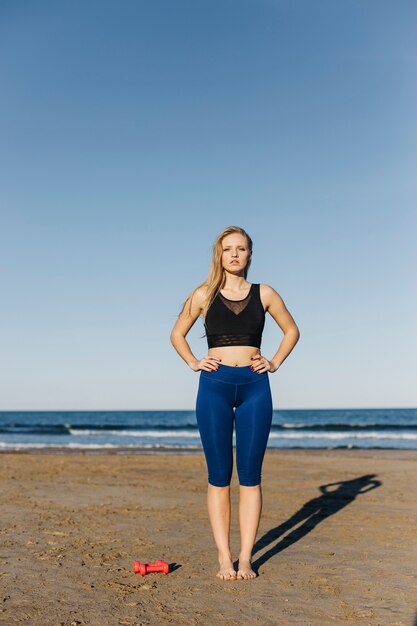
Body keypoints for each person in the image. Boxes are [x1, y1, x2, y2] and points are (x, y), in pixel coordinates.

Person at [170, 225, 300, 581]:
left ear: (250, 254)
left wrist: (273, 361)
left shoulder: (266, 293)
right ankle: (224, 558)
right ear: (220, 254)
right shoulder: (203, 294)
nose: (235, 254)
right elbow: (176, 334)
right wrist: (194, 361)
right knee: (219, 476)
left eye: (241, 249)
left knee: (251, 477)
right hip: (214, 386)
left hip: (256, 387)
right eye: (228, 249)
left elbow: (292, 330)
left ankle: (245, 559)